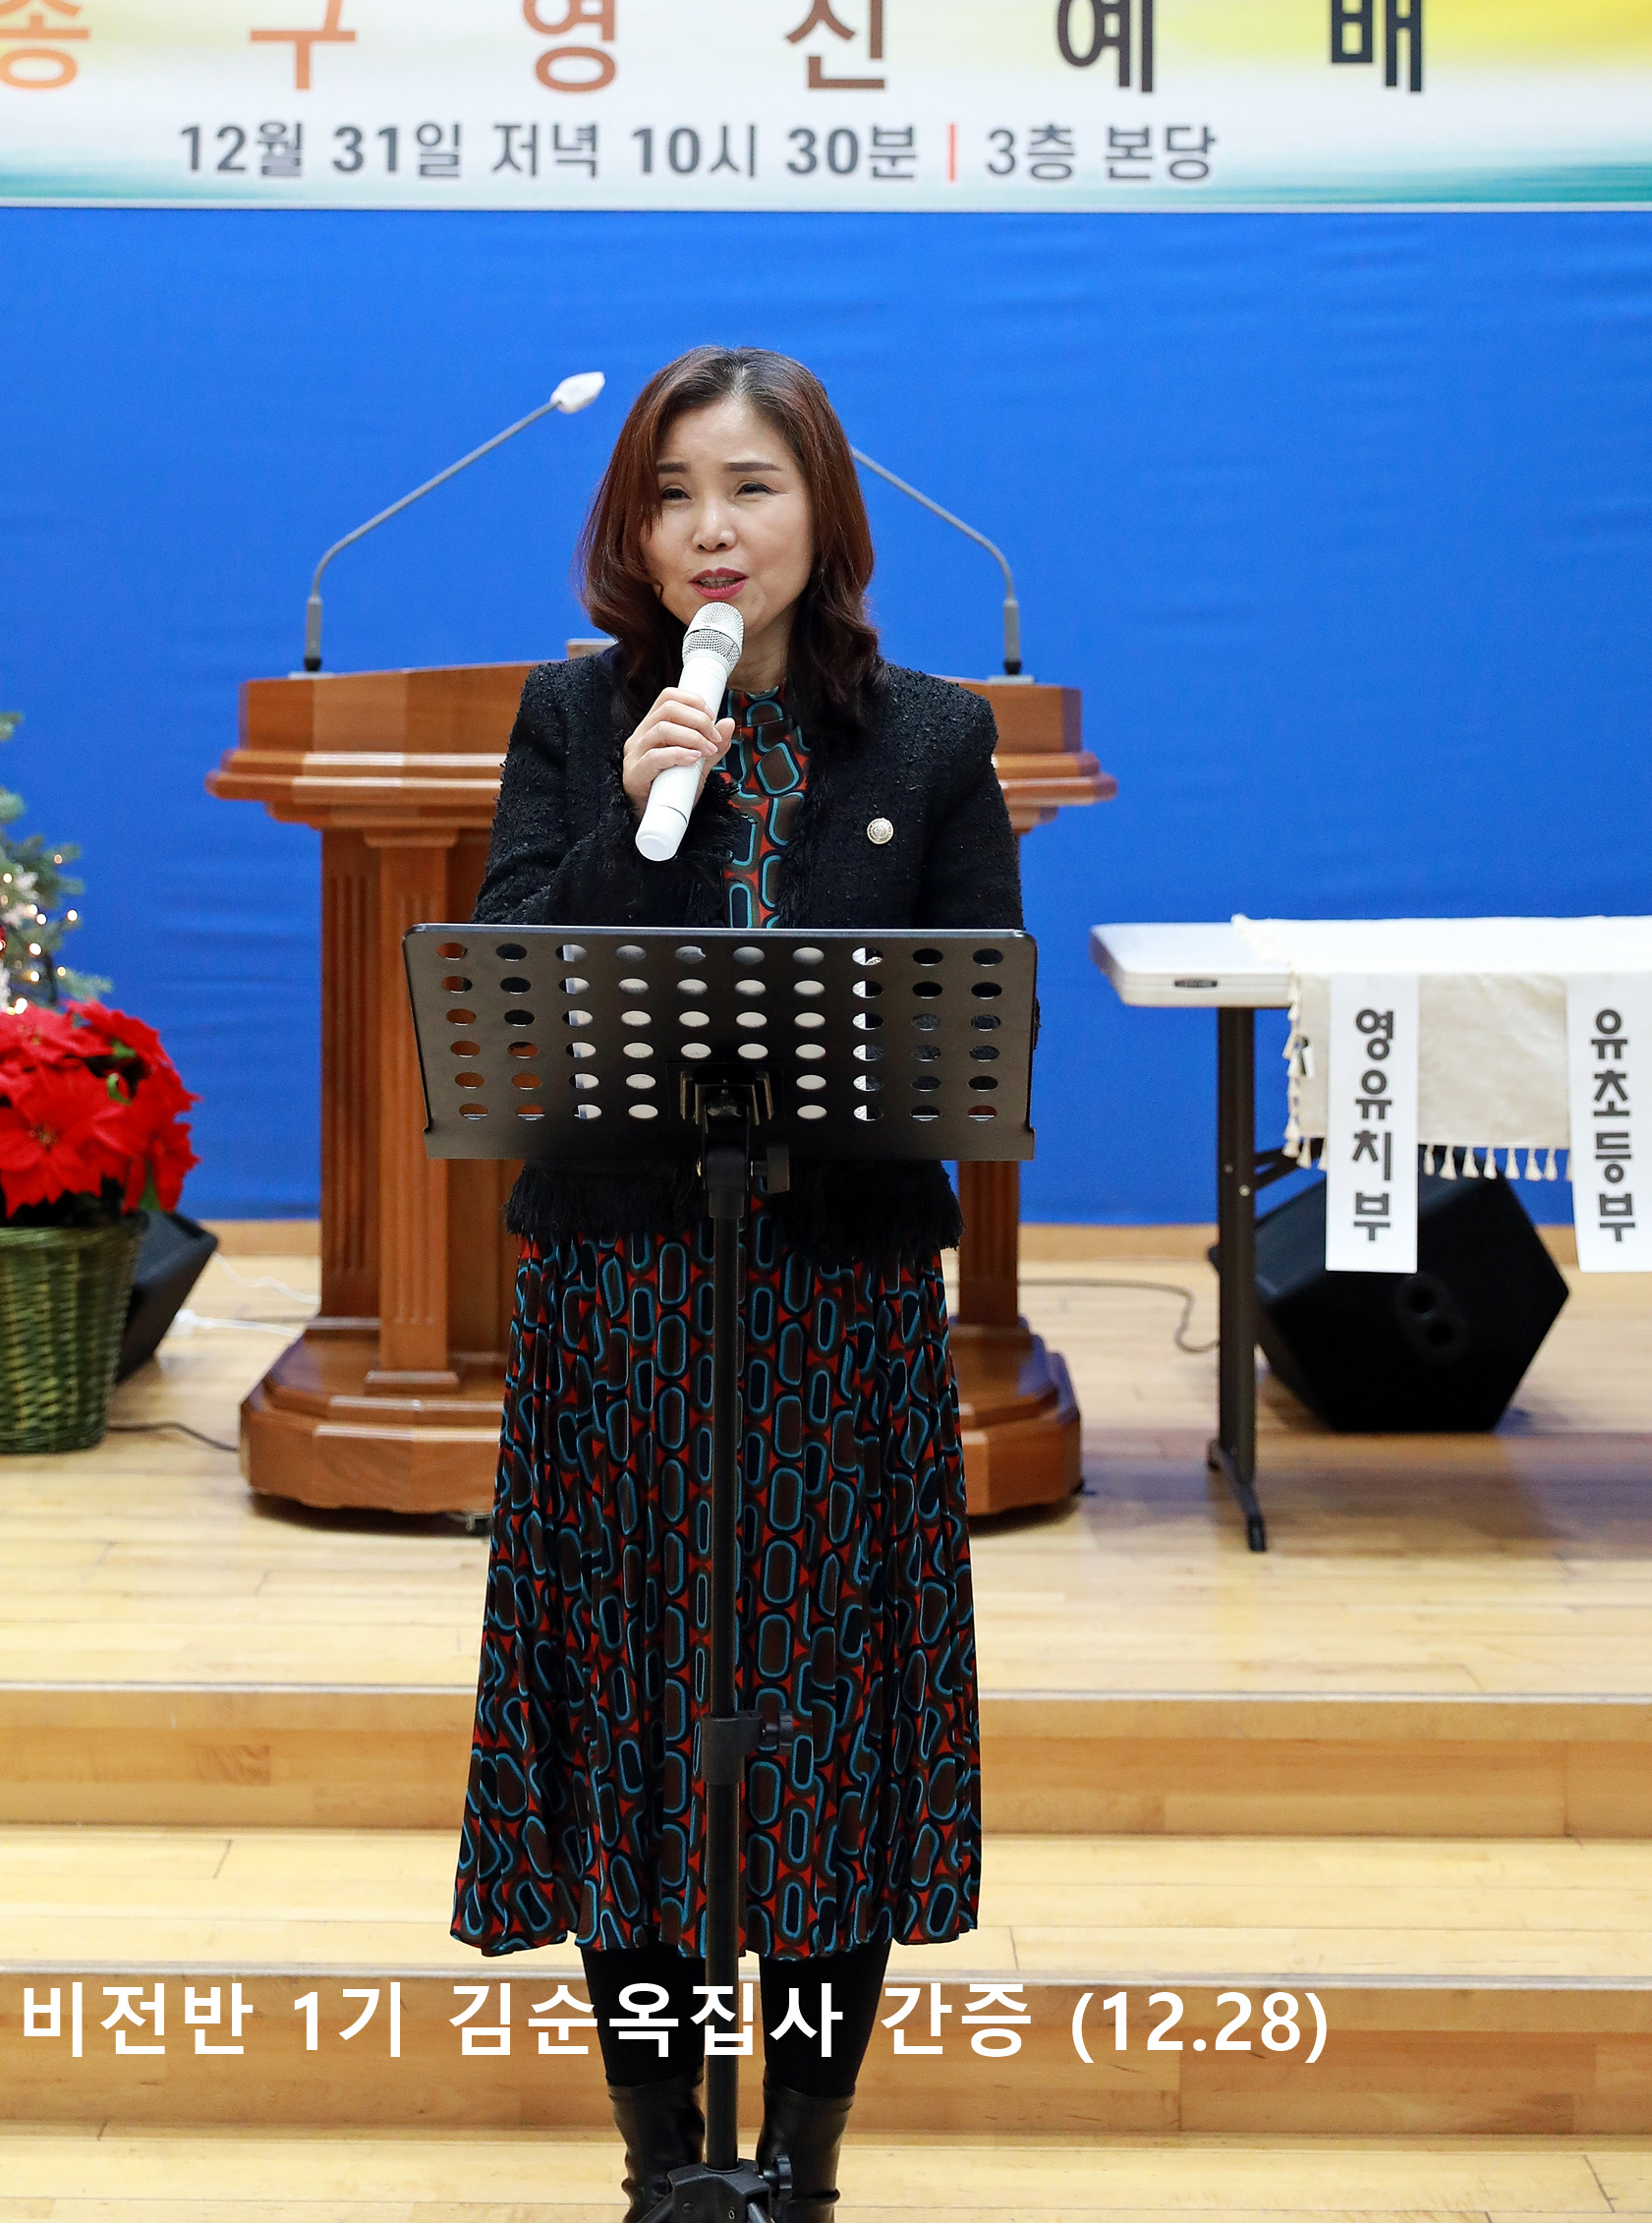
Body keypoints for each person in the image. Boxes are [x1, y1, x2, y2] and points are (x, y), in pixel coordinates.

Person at [451, 345, 1023, 2220]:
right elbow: (516, 984)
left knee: (825, 1727)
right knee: (636, 1728)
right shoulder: (572, 715)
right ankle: (658, 2164)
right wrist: (631, 820)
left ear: (819, 512)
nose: (711, 528)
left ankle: (798, 2160)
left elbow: (976, 1032)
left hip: (832, 1302)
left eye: (750, 488)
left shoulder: (930, 739)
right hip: (622, 1297)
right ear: (631, 530)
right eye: (673, 493)